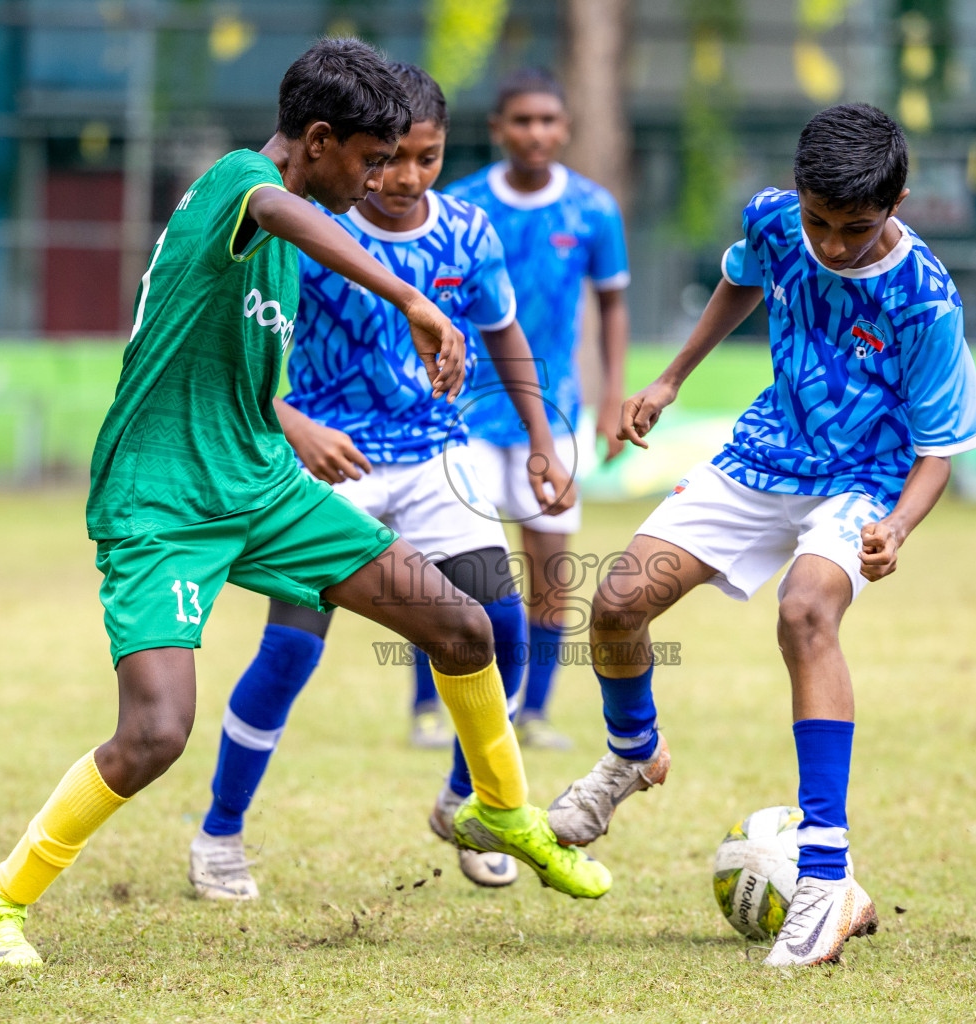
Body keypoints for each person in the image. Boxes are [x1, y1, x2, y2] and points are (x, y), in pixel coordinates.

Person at [0, 39, 609, 970]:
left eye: (399, 160)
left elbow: (227, 360)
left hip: (259, 480)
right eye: (370, 158)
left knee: (464, 628)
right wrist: (411, 300)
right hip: (163, 494)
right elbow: (280, 211)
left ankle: (500, 811)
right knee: (153, 733)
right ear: (315, 139)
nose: (383, 177)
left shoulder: (288, 234)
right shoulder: (241, 184)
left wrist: (287, 424)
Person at [545, 104, 976, 968]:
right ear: (797, 193)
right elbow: (744, 279)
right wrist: (671, 377)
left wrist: (895, 526)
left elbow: (941, 450)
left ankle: (823, 877)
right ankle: (632, 755)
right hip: (766, 452)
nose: (832, 243)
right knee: (617, 603)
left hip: (866, 478)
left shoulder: (925, 302)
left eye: (856, 227)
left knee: (805, 613)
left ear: (898, 199)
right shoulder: (775, 220)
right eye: (818, 220)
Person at [187, 63, 576, 899]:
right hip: (331, 459)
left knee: (498, 627)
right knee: (290, 648)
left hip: (438, 454)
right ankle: (220, 833)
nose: (403, 178)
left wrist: (542, 438)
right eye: (390, 159)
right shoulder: (308, 224)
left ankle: (469, 801)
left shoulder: (470, 231)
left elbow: (505, 336)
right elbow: (243, 345)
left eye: (426, 159)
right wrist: (297, 425)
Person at [442, 68, 631, 750]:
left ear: (566, 128)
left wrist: (612, 394)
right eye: (522, 120)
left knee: (551, 565)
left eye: (549, 120)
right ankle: (431, 710)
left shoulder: (593, 209)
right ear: (498, 129)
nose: (536, 133)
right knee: (453, 569)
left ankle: (535, 712)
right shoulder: (459, 206)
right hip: (463, 409)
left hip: (553, 412)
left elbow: (612, 302)